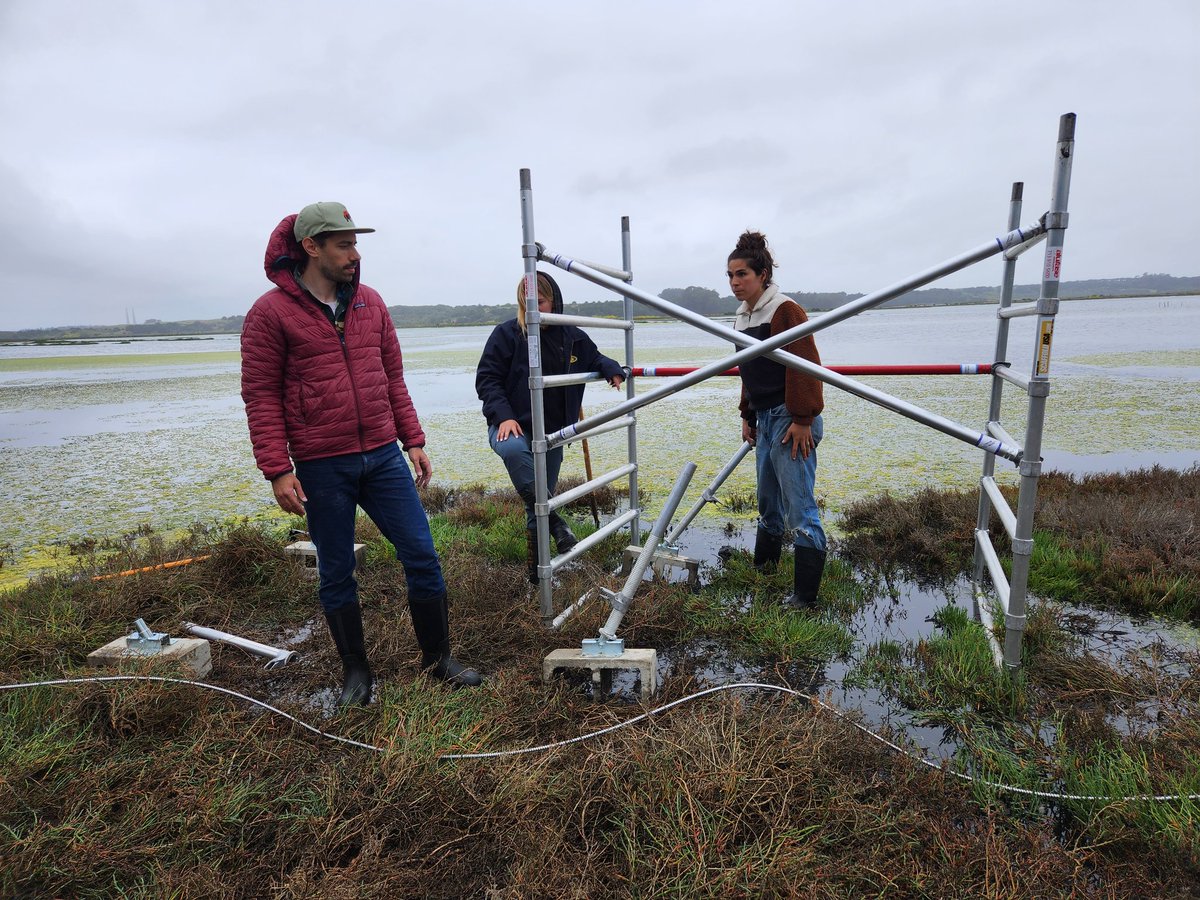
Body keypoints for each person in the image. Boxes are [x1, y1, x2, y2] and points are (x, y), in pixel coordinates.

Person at [241, 201, 481, 705]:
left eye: (355, 243)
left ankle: (438, 659)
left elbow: (392, 376)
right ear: (311, 247)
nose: (355, 254)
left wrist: (412, 439)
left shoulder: (370, 303)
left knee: (422, 555)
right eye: (344, 244)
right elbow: (260, 394)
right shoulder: (270, 314)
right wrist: (277, 470)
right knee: (336, 570)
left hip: (383, 456)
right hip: (322, 463)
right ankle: (356, 671)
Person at [475, 271, 625, 582]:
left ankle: (537, 576)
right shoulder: (507, 334)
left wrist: (611, 368)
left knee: (537, 501)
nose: (532, 309)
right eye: (525, 303)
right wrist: (503, 415)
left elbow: (594, 358)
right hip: (511, 424)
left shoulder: (572, 335)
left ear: (553, 300)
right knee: (515, 453)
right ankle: (557, 522)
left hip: (553, 433)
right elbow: (487, 379)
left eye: (539, 301)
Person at [727, 230, 827, 607]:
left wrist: (802, 419)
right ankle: (764, 572)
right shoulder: (741, 317)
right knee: (768, 502)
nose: (735, 282)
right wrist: (747, 414)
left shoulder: (785, 310)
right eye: (731, 276)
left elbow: (806, 367)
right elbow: (747, 370)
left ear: (763, 274)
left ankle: (805, 597)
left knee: (799, 506)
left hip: (791, 418)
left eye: (743, 275)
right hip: (765, 417)